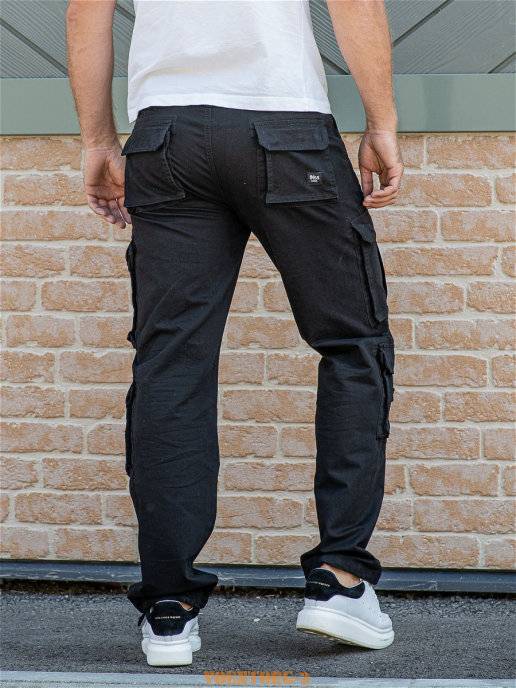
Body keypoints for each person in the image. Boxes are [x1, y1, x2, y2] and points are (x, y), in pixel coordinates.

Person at [67, 0, 403, 666]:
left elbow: (85, 10)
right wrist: (382, 123)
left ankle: (169, 609)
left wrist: (98, 139)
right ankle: (340, 580)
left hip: (165, 135)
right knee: (353, 345)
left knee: (171, 364)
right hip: (285, 122)